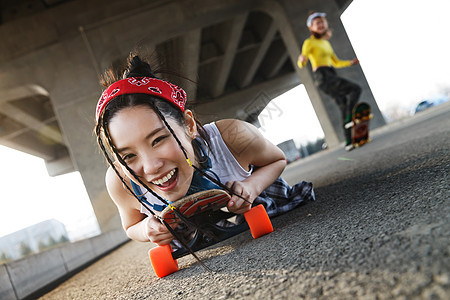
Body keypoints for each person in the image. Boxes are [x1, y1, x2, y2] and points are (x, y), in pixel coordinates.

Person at [94, 54, 315, 250]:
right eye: (128, 156)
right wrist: (147, 229)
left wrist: (251, 187)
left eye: (159, 139)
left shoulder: (232, 137)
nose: (151, 167)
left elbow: (277, 160)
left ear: (189, 125)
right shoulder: (120, 180)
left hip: (253, 201)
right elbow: (131, 225)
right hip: (187, 231)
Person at [297, 12, 362, 151]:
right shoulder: (309, 43)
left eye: (322, 22)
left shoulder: (326, 43)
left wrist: (350, 63)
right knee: (356, 89)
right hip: (323, 77)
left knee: (343, 105)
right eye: (317, 23)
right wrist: (301, 61)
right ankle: (351, 117)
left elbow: (336, 62)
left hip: (331, 73)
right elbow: (302, 61)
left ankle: (349, 142)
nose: (321, 25)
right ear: (311, 27)